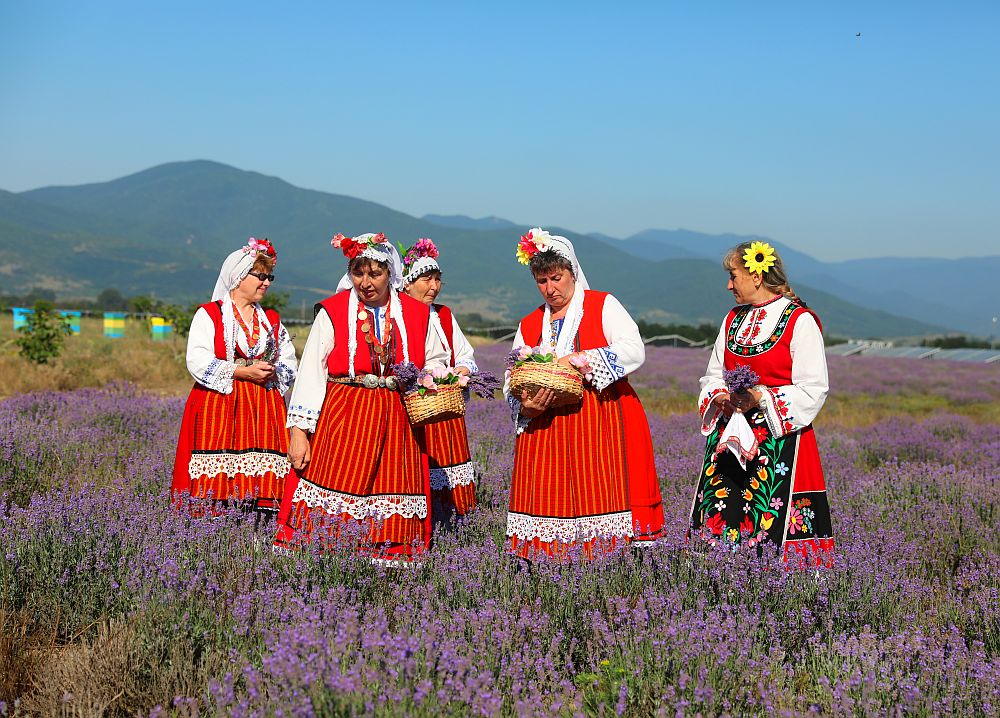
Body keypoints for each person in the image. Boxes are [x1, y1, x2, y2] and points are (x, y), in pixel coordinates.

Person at [273, 232, 448, 560]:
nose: (365, 282)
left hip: (398, 422)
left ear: (390, 274)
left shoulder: (417, 314)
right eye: (358, 272)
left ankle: (388, 569)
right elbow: (312, 372)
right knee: (336, 486)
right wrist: (299, 432)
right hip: (345, 417)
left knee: (394, 488)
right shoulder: (334, 312)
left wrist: (431, 381)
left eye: (375, 274)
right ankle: (325, 564)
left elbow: (437, 361)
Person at [503, 228, 665, 559]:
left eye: (556, 278)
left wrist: (578, 360)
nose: (550, 288)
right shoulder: (530, 323)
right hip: (545, 426)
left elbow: (634, 350)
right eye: (542, 281)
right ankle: (550, 569)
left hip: (600, 420)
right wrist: (524, 403)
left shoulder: (602, 305)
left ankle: (609, 567)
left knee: (601, 489)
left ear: (572, 272)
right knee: (553, 496)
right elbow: (511, 377)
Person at [689, 241, 833, 567]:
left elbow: (814, 388)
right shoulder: (732, 320)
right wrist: (721, 397)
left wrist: (760, 397)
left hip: (780, 443)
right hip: (731, 441)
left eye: (733, 275)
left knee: (775, 530)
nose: (729, 285)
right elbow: (713, 375)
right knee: (723, 520)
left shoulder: (800, 321)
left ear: (756, 276)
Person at [172, 237, 298, 518]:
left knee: (261, 476)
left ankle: (258, 535)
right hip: (221, 402)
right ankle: (214, 535)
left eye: (270, 277)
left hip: (262, 405)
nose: (266, 283)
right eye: (260, 276)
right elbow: (198, 358)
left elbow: (288, 358)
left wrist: (273, 371)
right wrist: (242, 372)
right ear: (238, 276)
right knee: (219, 473)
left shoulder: (271, 320)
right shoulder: (210, 315)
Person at [400, 238, 479, 521]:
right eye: (426, 279)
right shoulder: (396, 316)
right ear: (407, 282)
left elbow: (465, 355)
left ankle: (454, 525)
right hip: (412, 407)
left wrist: (463, 371)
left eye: (437, 280)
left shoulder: (443, 315)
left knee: (447, 473)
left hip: (444, 407)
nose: (433, 286)